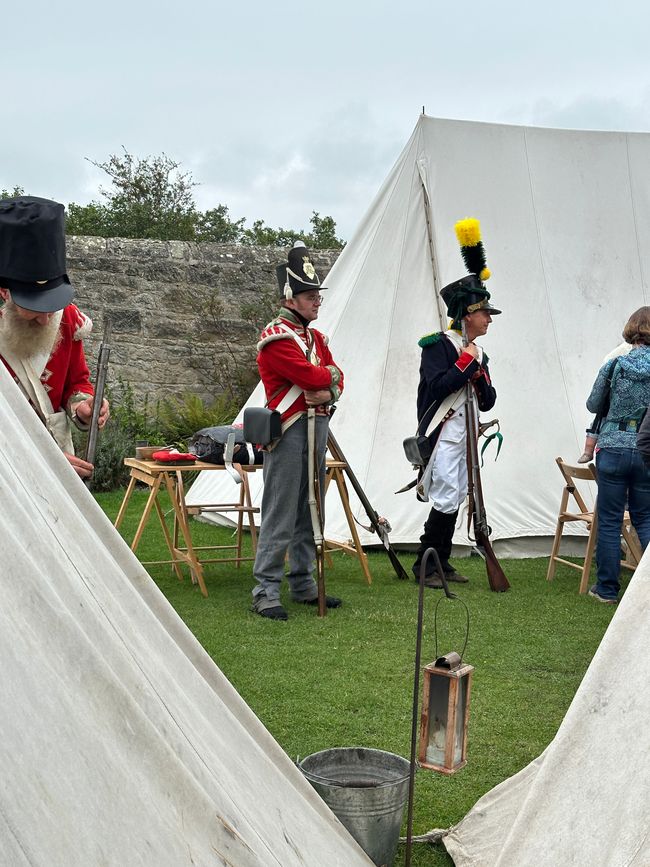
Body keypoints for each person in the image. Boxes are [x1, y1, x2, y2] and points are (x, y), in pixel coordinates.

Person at [251, 242, 344, 620]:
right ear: (291, 298)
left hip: (317, 425)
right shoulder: (276, 337)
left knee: (312, 510)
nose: (316, 302)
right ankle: (266, 591)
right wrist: (329, 380)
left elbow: (337, 376)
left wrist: (331, 384)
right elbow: (310, 375)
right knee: (281, 510)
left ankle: (303, 584)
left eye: (316, 296)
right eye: (309, 296)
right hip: (289, 429)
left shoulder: (316, 339)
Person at [411, 218, 500, 587]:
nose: (488, 319)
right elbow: (436, 388)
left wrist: (478, 374)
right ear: (467, 315)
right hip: (443, 433)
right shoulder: (437, 346)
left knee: (456, 496)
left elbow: (490, 402)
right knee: (446, 496)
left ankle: (441, 562)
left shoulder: (478, 353)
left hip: (465, 437)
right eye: (483, 313)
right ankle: (425, 565)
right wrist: (466, 365)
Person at [0, 196, 109, 479]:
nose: (47, 318)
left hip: (60, 460)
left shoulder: (68, 317)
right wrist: (38, 457)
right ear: (5, 293)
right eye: (34, 308)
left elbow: (77, 382)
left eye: (51, 305)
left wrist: (83, 406)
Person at [586, 307, 650, 603]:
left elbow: (592, 404)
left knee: (610, 520)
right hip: (646, 448)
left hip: (612, 447)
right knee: (646, 518)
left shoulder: (614, 365)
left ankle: (607, 590)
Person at [577, 341, 632, 463]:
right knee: (598, 422)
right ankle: (588, 451)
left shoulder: (618, 354)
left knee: (598, 423)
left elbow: (593, 404)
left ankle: (588, 451)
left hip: (612, 447)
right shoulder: (623, 351)